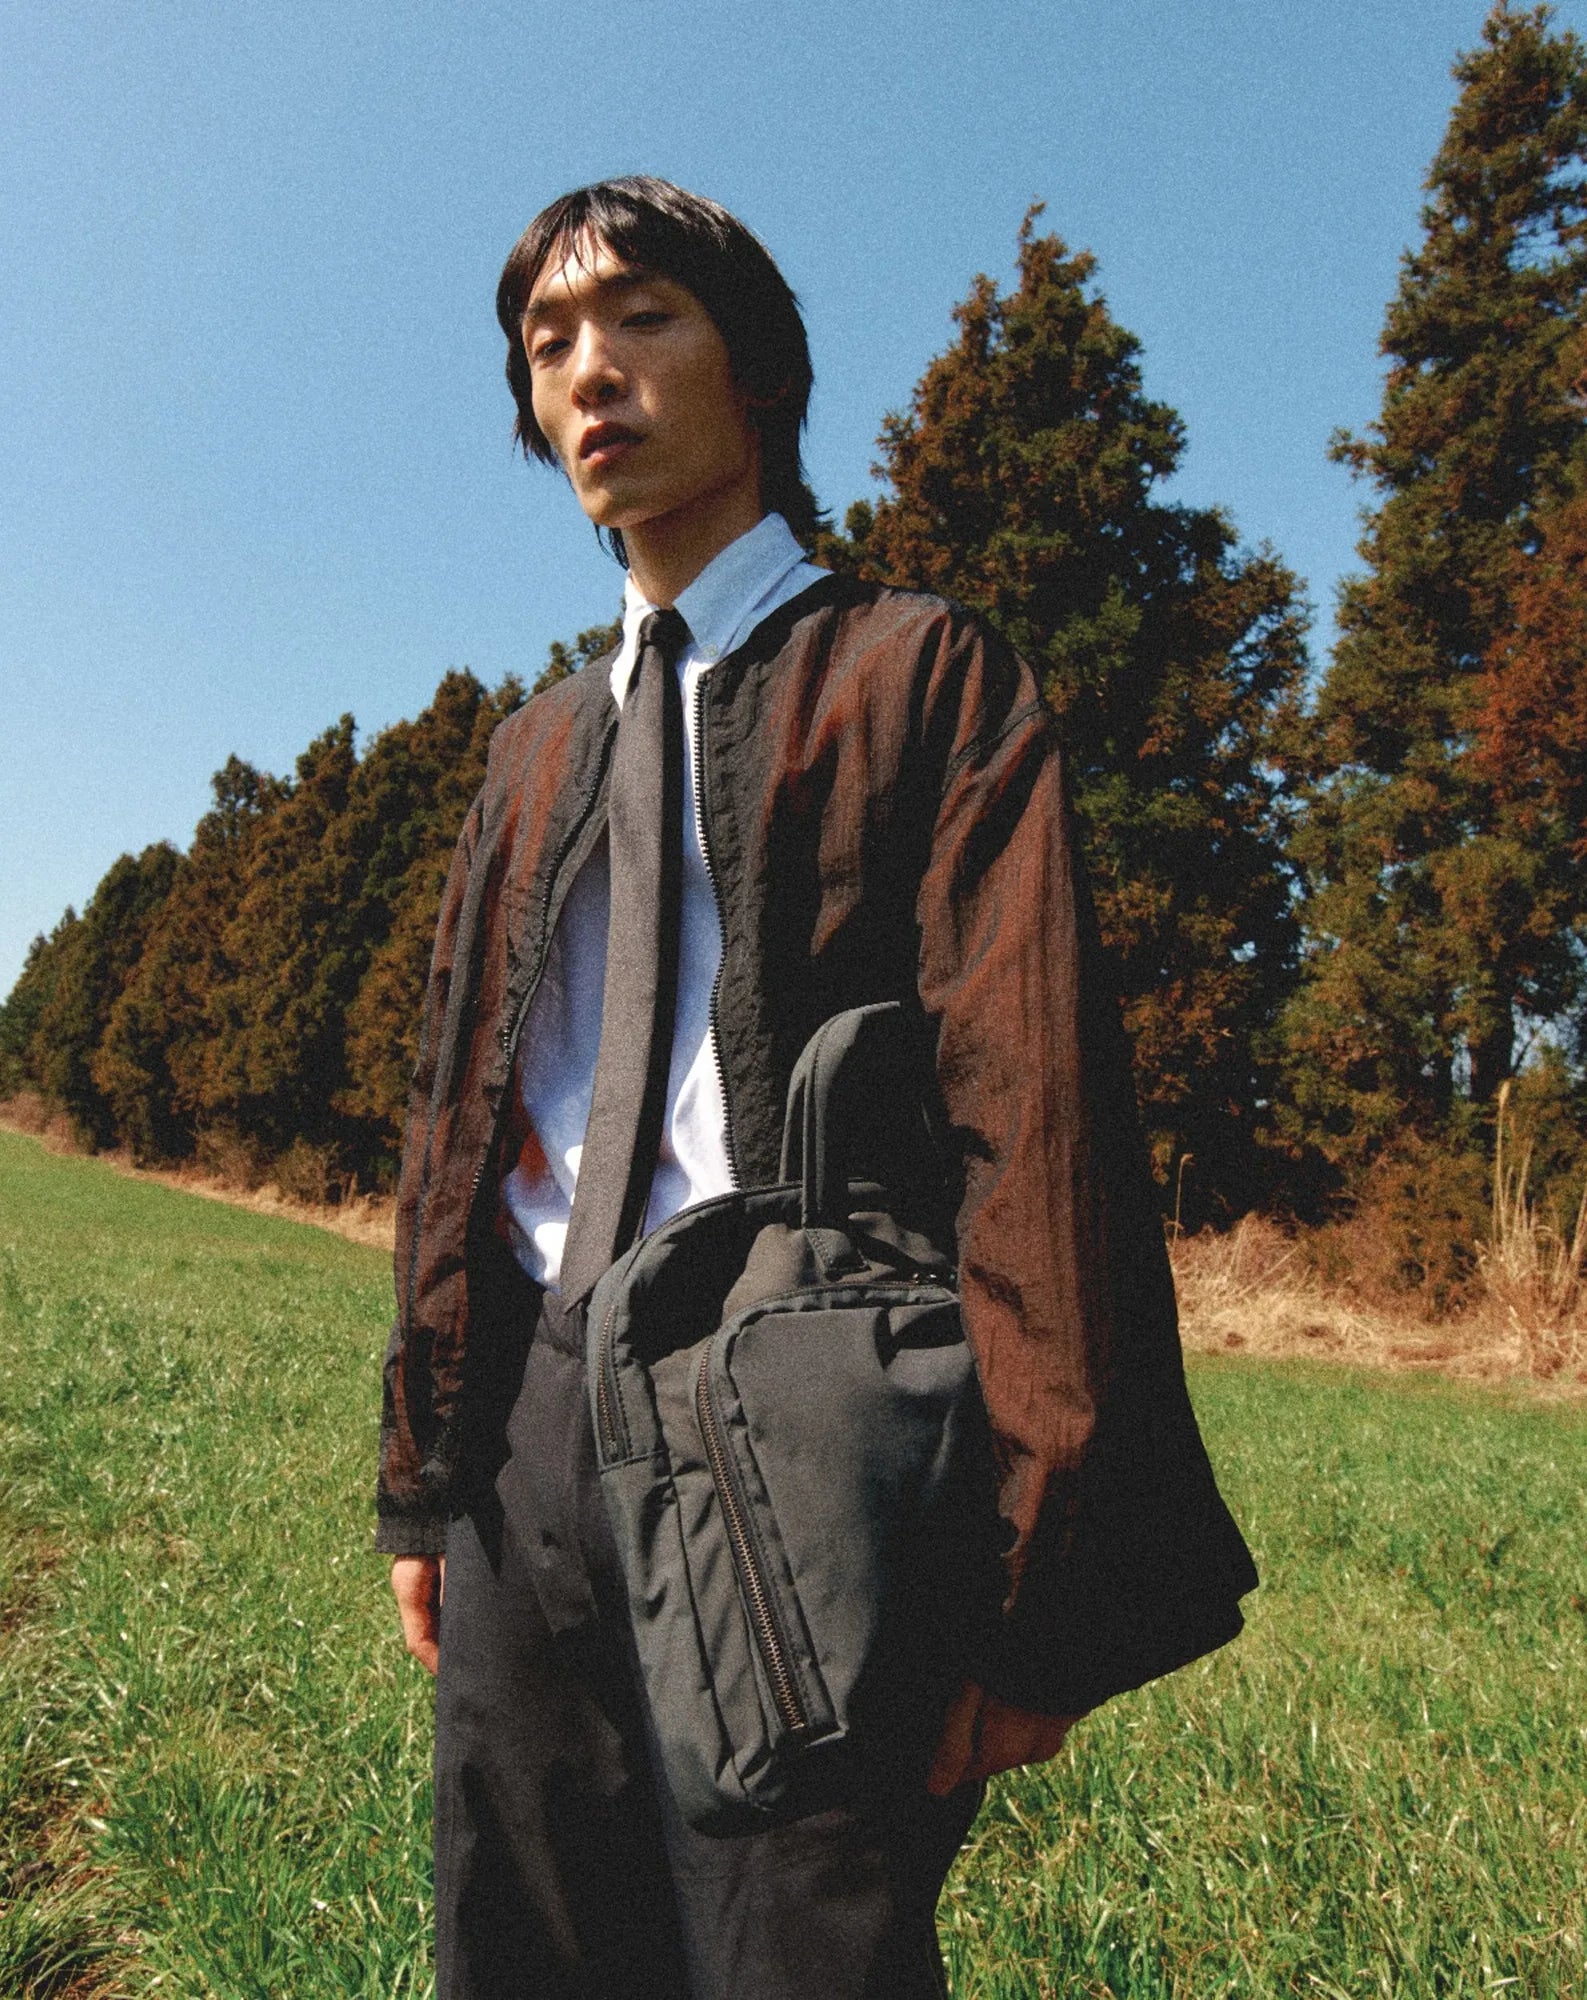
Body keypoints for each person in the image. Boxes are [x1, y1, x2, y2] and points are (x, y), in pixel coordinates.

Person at [378, 175, 1256, 1999]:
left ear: (759, 367)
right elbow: (460, 1122)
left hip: (797, 1415)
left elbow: (1038, 1114)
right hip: (532, 1422)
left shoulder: (920, 674)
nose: (591, 371)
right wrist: (428, 1472)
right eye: (549, 343)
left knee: (799, 1954)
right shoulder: (531, 751)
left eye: (644, 317)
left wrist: (1042, 1569)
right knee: (518, 1941)